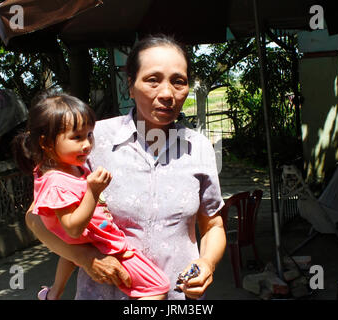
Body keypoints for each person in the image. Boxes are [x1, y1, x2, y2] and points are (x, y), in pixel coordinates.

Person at [25, 34, 227, 300]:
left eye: (178, 81)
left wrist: (207, 263)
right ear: (130, 86)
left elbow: (213, 225)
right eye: (153, 80)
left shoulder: (198, 147)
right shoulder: (90, 141)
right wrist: (85, 257)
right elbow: (36, 218)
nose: (167, 94)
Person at [13, 92, 170, 300]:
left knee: (68, 256)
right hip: (101, 242)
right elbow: (73, 229)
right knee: (158, 286)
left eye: (89, 135)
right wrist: (92, 192)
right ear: (46, 143)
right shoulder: (56, 182)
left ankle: (52, 294)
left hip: (86, 240)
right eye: (76, 137)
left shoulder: (69, 166)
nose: (87, 144)